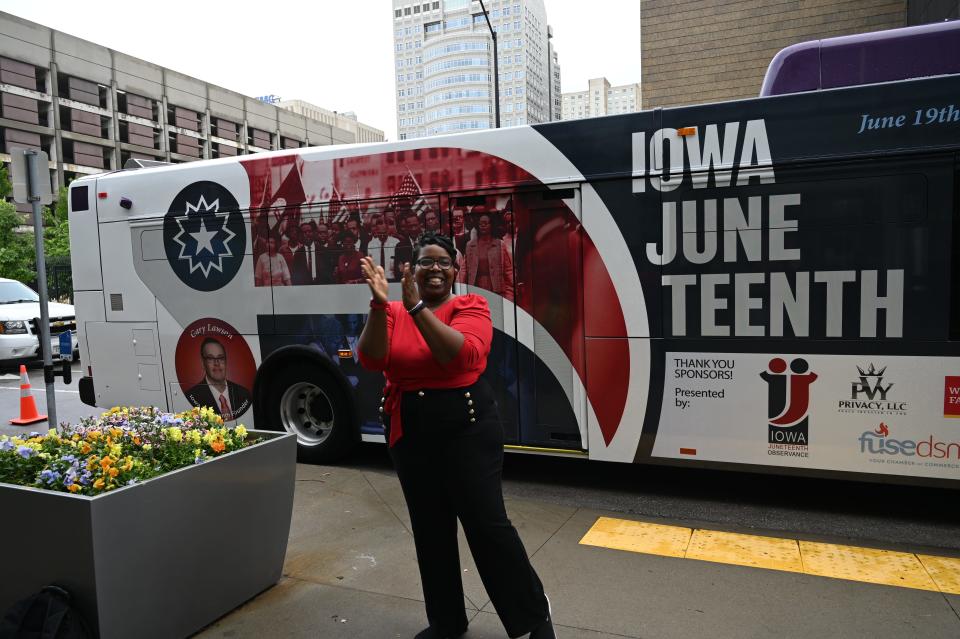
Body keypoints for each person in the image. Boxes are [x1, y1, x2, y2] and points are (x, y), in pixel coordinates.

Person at [357, 233, 555, 639]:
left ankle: (533, 618)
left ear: (455, 270)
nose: (435, 268)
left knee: (487, 526)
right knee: (430, 530)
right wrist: (380, 305)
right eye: (425, 261)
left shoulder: (471, 306)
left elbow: (460, 355)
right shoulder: (391, 311)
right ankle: (447, 621)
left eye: (443, 262)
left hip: (468, 430)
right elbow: (371, 358)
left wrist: (414, 307)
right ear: (409, 269)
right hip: (411, 433)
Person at [185, 337, 251, 420]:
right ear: (203, 363)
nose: (217, 363)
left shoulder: (244, 394)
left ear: (226, 361)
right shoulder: (191, 396)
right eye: (210, 358)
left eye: (220, 358)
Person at [460, 214, 514, 301]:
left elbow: (508, 270)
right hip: (476, 288)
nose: (483, 226)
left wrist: (513, 290)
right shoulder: (470, 245)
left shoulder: (499, 244)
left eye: (486, 223)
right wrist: (460, 288)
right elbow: (464, 269)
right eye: (480, 224)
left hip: (496, 289)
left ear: (491, 225)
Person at [366, 215, 400, 281]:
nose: (382, 236)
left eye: (384, 233)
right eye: (380, 233)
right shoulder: (371, 245)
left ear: (387, 230)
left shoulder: (396, 243)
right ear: (376, 231)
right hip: (377, 280)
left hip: (392, 280)